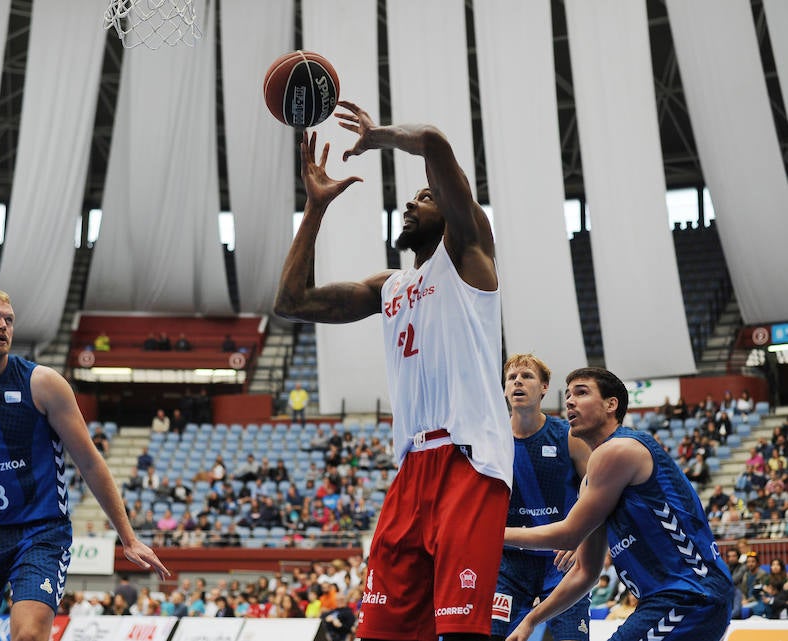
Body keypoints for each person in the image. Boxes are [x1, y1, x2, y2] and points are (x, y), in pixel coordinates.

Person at [273, 102, 513, 640]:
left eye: (426, 197)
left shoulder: (470, 255)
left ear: (453, 211)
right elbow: (291, 301)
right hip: (411, 468)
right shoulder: (391, 287)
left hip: (467, 457)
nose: (411, 201)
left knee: (458, 632)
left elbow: (431, 139)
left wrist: (377, 136)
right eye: (412, 196)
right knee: (379, 631)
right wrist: (313, 209)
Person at [0, 288, 170, 641]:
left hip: (40, 530)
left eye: (9, 320)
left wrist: (128, 538)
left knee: (28, 635)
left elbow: (91, 463)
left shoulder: (43, 383)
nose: (3, 325)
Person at [504, 367, 733, 641]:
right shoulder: (592, 479)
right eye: (567, 395)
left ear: (611, 404)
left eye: (581, 392)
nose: (569, 401)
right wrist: (531, 620)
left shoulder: (618, 450)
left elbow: (568, 534)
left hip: (691, 594)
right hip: (668, 599)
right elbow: (585, 572)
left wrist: (491, 535)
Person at [490, 354, 592, 641]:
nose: (518, 381)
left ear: (544, 387)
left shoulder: (568, 436)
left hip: (562, 562)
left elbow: (596, 490)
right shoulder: (491, 439)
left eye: (527, 376)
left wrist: (583, 538)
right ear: (505, 389)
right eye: (512, 378)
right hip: (508, 563)